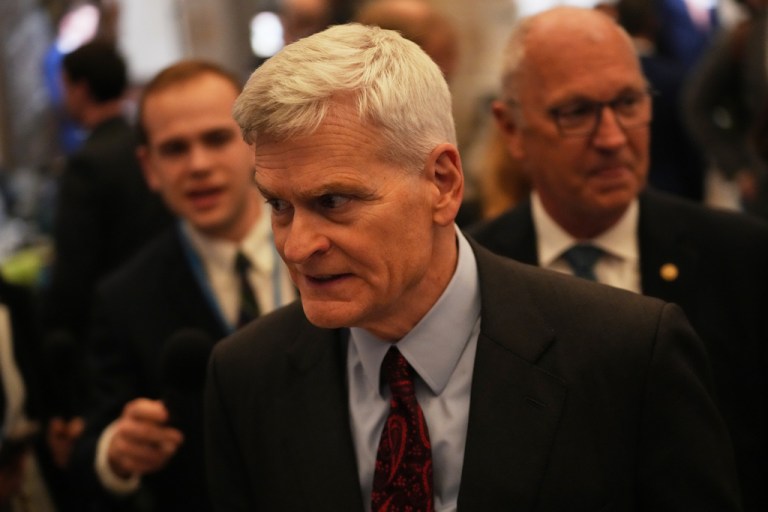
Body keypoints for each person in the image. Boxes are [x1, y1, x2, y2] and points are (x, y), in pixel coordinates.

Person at [205, 22, 741, 511]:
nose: (297, 247)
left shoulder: (626, 352)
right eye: (278, 205)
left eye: (334, 202)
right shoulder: (246, 376)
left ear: (442, 182)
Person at [468, 6, 768, 510]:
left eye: (628, 102)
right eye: (576, 112)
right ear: (512, 129)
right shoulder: (473, 274)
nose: (612, 138)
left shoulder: (743, 260)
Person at [69, 60, 296, 512]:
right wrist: (117, 452)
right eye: (174, 149)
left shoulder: (325, 248)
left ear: (256, 144)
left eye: (215, 139)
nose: (198, 165)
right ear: (149, 167)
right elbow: (91, 448)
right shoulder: (124, 298)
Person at [42, 40, 172, 344]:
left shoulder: (86, 165)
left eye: (64, 86)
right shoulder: (146, 145)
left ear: (81, 90)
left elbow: (74, 269)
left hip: (113, 326)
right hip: (165, 303)